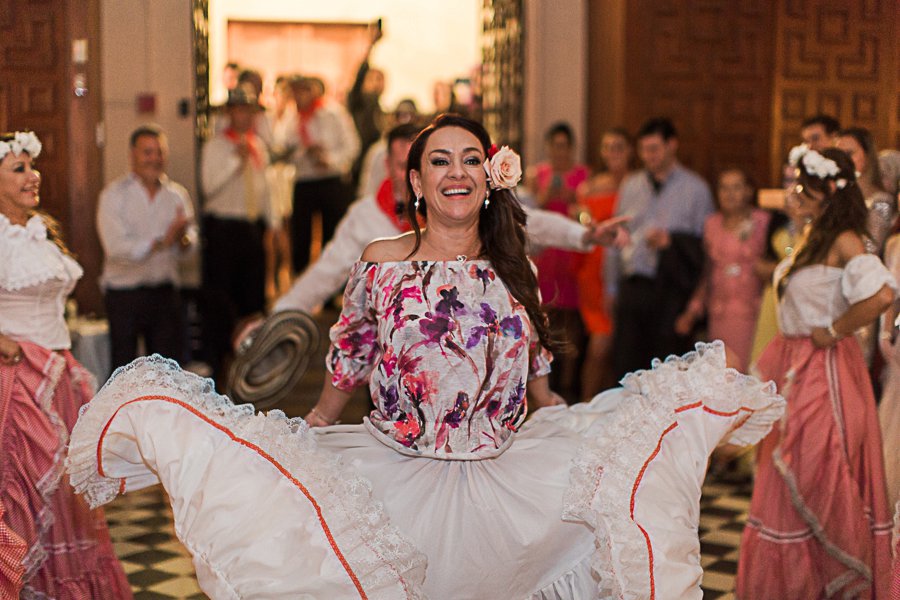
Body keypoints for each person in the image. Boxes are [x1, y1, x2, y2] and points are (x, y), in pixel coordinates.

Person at [67, 114, 784, 599]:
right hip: (398, 472)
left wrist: (549, 401)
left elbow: (531, 347)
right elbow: (349, 354)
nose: (455, 170)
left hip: (504, 475)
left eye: (471, 158)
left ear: (489, 176)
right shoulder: (381, 260)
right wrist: (314, 421)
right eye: (438, 160)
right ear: (414, 182)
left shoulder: (512, 262)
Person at [234, 122, 631, 346]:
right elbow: (322, 278)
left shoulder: (461, 204)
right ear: (395, 168)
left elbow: (529, 220)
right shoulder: (366, 217)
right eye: (399, 162)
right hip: (395, 357)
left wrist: (586, 236)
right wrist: (273, 321)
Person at [736, 146, 895, 598]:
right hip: (793, 366)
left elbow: (882, 295)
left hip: (822, 373)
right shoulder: (809, 237)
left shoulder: (844, 239)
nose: (791, 192)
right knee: (786, 481)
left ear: (825, 192)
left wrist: (834, 329)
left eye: (800, 185)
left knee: (814, 472)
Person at [0, 131, 132, 598]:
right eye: (18, 169)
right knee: (22, 491)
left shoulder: (39, 230)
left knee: (63, 497)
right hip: (19, 383)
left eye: (31, 167)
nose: (32, 176)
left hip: (59, 375)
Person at [605, 117, 714, 380]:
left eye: (654, 149)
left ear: (671, 145)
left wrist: (672, 242)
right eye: (643, 150)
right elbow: (614, 237)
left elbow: (707, 249)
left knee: (668, 372)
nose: (648, 156)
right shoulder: (631, 184)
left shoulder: (696, 189)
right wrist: (610, 287)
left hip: (671, 291)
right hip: (634, 285)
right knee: (627, 370)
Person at [97, 124, 197, 369]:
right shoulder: (114, 195)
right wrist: (163, 241)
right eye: (148, 152)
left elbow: (190, 249)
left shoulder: (177, 195)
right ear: (133, 155)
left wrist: (183, 239)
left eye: (159, 152)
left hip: (164, 292)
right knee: (124, 370)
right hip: (124, 294)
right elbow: (116, 248)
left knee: (167, 372)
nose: (155, 159)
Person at [200, 82, 273, 381]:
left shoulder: (259, 146)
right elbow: (208, 186)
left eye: (251, 111)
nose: (245, 116)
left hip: (250, 229)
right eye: (240, 110)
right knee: (221, 304)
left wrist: (272, 223)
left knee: (252, 303)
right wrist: (235, 160)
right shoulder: (215, 147)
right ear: (230, 113)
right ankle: (219, 371)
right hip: (223, 230)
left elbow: (264, 188)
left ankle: (251, 371)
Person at [675, 168, 770, 372]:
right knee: (720, 371)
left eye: (736, 187)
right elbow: (707, 272)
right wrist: (692, 310)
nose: (730, 194)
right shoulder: (712, 224)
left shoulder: (763, 221)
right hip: (719, 310)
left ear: (748, 191)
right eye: (724, 188)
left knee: (746, 372)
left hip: (750, 310)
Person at [527, 122, 591, 398]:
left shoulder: (583, 175)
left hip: (572, 254)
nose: (559, 151)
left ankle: (570, 383)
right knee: (546, 317)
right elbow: (528, 213)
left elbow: (584, 213)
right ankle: (545, 383)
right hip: (547, 256)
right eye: (555, 145)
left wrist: (571, 198)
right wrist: (546, 195)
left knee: (573, 320)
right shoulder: (536, 174)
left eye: (565, 146)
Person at [574, 127, 633, 399]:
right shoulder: (591, 187)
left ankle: (607, 405)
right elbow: (581, 221)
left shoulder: (638, 185)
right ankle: (586, 402)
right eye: (608, 147)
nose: (613, 154)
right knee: (599, 345)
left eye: (619, 147)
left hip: (625, 267)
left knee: (618, 347)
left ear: (630, 150)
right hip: (594, 269)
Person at [288, 75, 360, 274]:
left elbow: (352, 146)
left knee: (333, 234)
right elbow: (282, 149)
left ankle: (332, 287)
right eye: (296, 91)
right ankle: (300, 282)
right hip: (305, 180)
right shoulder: (293, 118)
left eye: (304, 90)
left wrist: (329, 160)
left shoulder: (333, 113)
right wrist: (305, 152)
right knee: (301, 236)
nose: (300, 96)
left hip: (331, 181)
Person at [836, 127, 896, 255]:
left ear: (867, 155)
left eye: (849, 154)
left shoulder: (881, 201)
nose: (842, 161)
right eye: (839, 155)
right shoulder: (839, 195)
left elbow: (870, 249)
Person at [347, 22, 386, 190]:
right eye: (373, 79)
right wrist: (371, 46)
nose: (377, 84)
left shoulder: (379, 108)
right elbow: (359, 76)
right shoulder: (359, 101)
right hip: (359, 167)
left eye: (381, 79)